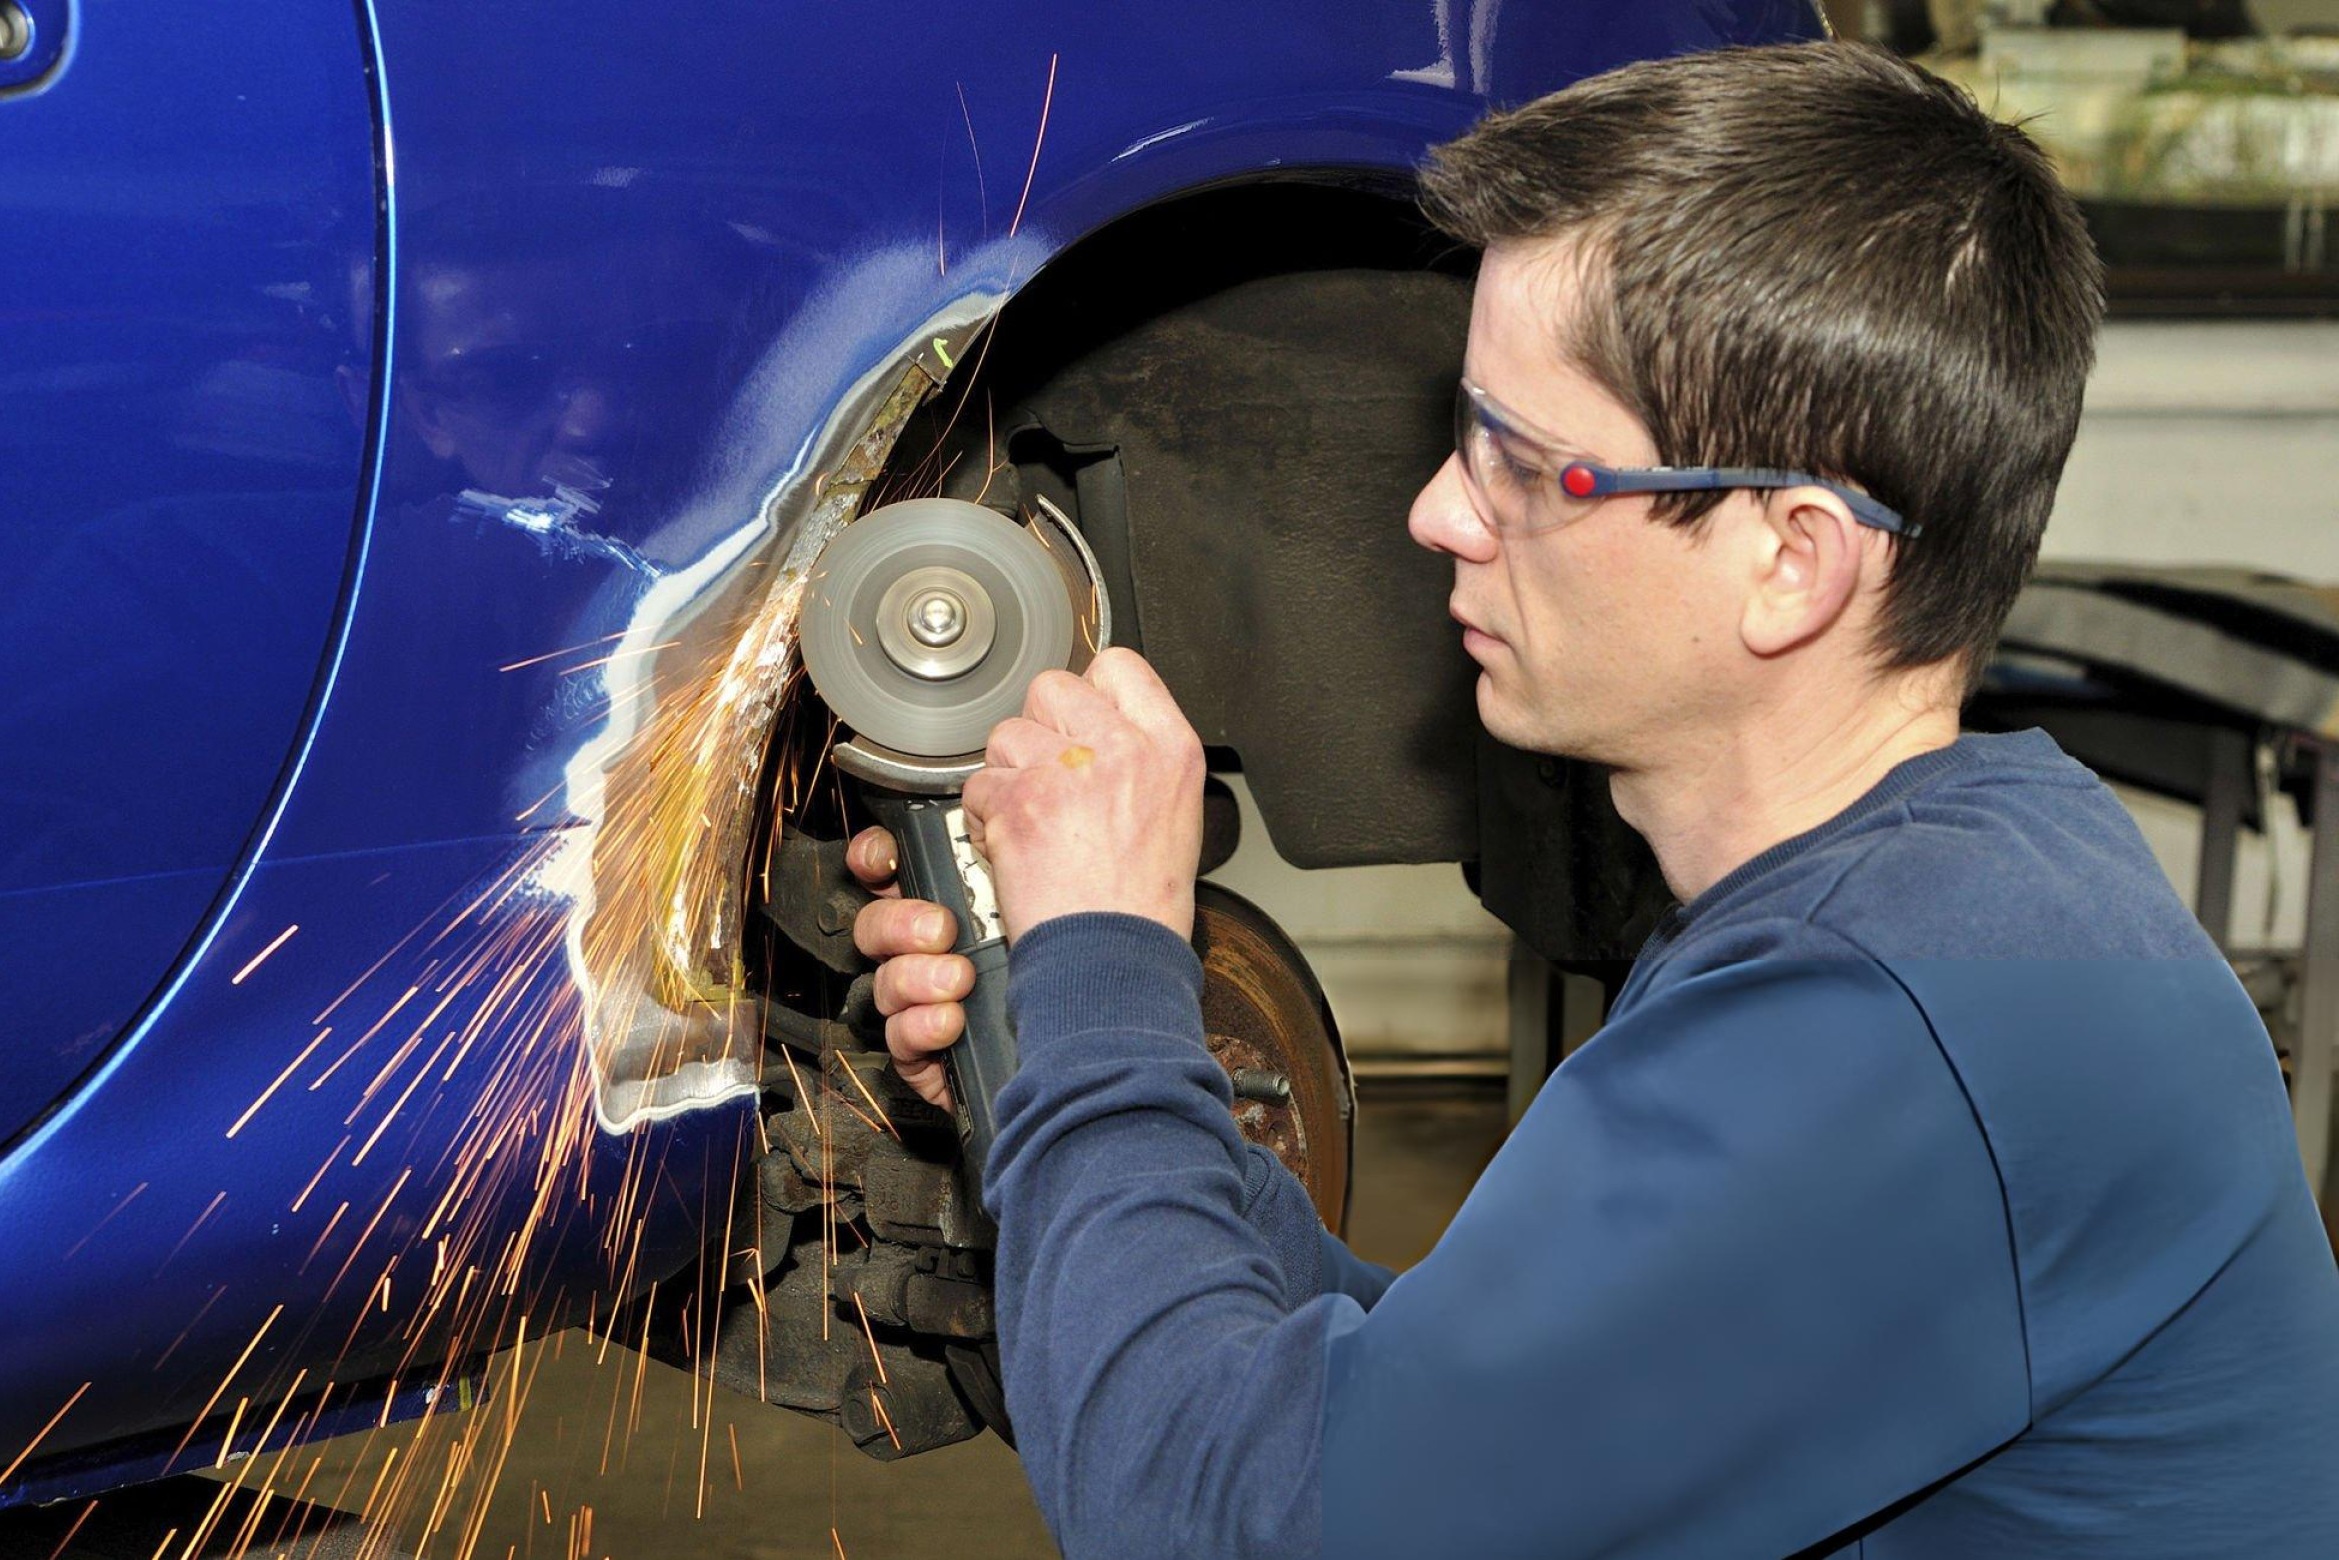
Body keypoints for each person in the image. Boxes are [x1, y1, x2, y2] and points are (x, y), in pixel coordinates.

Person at [843, 42, 2339, 1559]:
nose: (1434, 510)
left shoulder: (1894, 1035)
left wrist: (1108, 966)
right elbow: (1460, 1418)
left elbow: (1221, 1525)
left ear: (1792, 562)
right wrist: (1082, 1081)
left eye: (1524, 463)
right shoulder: (1941, 892)